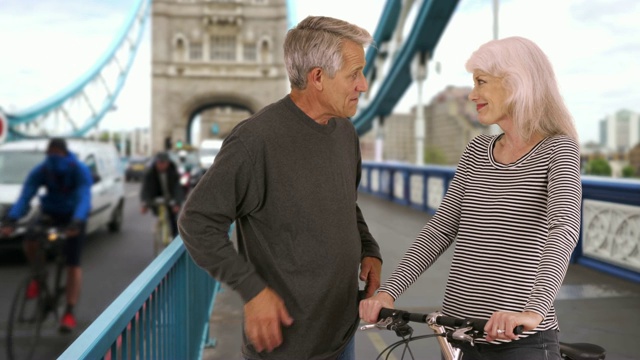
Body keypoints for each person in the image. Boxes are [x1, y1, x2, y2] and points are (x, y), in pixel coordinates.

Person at [359, 36, 582, 360]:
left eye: (481, 82)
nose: (472, 94)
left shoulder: (557, 149)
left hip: (520, 339)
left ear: (516, 83)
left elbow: (563, 229)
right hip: (460, 334)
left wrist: (532, 313)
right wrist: (388, 293)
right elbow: (440, 229)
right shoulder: (477, 150)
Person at [178, 16, 383, 360]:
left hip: (343, 334)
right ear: (318, 77)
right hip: (284, 347)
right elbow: (197, 223)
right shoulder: (254, 142)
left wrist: (368, 247)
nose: (362, 85)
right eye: (354, 74)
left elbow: (347, 202)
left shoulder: (345, 132)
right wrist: (253, 291)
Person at [0, 137, 92, 332]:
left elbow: (84, 196)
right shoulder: (42, 170)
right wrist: (12, 219)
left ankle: (69, 311)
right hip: (50, 213)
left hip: (73, 215)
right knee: (30, 240)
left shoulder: (79, 169)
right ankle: (38, 274)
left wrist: (77, 220)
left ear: (65, 154)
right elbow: (26, 195)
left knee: (73, 264)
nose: (53, 158)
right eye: (50, 155)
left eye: (56, 155)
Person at [140, 151, 184, 238]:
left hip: (171, 198)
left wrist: (177, 203)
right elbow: (146, 189)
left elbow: (177, 188)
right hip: (156, 199)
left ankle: (175, 238)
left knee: (173, 220)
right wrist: (145, 204)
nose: (161, 165)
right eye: (159, 163)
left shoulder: (173, 172)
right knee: (160, 215)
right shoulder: (150, 173)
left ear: (168, 163)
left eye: (163, 163)